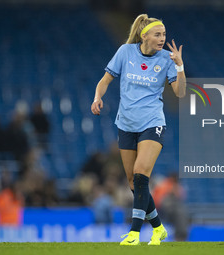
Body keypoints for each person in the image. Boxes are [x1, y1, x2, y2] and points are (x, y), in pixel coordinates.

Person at [91, 14, 186, 245]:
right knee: (134, 181)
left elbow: (180, 93)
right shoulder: (125, 52)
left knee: (142, 174)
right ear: (144, 36)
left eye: (164, 34)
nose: (162, 38)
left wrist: (180, 66)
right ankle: (159, 228)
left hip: (152, 122)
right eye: (157, 34)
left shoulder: (166, 59)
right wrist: (97, 98)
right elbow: (105, 80)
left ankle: (134, 233)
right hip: (126, 123)